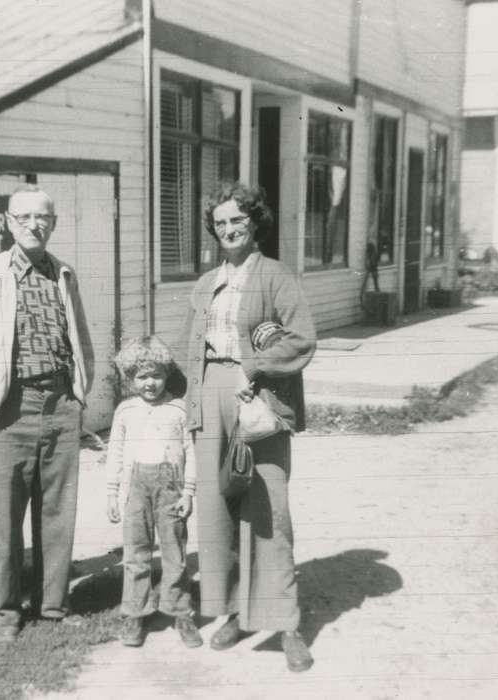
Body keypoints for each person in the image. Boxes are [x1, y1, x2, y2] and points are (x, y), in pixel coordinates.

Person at [180, 182, 317, 672]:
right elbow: (191, 350)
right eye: (220, 223)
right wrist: (190, 408)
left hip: (258, 398)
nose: (229, 229)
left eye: (237, 219)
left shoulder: (277, 276)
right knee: (218, 510)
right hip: (210, 395)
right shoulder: (205, 283)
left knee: (268, 509)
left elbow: (302, 340)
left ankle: (287, 625)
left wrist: (253, 367)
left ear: (255, 221)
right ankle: (236, 613)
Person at [0, 184, 94, 641]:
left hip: (59, 405)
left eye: (43, 218)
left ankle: (53, 605)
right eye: (25, 218)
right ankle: (5, 612)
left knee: (58, 511)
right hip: (9, 409)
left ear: (53, 224)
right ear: (10, 224)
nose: (35, 225)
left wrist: (78, 392)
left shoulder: (64, 274)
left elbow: (81, 340)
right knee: (4, 516)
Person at [105, 335, 202, 649]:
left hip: (170, 485)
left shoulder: (178, 409)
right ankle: (136, 611)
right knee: (136, 551)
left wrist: (188, 492)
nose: (150, 383)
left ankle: (180, 610)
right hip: (136, 486)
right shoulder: (124, 412)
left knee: (174, 551)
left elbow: (191, 451)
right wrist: (111, 493)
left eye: (157, 376)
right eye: (142, 377)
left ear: (167, 375)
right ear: (131, 378)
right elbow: (116, 454)